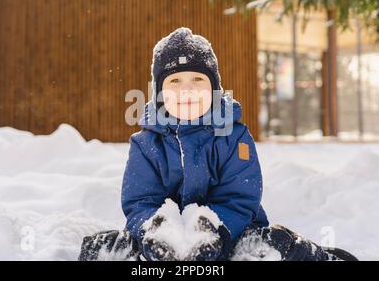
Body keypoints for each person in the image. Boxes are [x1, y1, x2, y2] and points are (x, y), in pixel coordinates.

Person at [78, 27, 357, 261]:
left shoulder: (233, 136)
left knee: (273, 244)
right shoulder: (145, 143)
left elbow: (240, 196)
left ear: (214, 90)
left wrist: (217, 229)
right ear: (159, 93)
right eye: (174, 81)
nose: (186, 89)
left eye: (197, 79)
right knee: (113, 248)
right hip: (164, 246)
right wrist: (153, 229)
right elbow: (140, 200)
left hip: (232, 235)